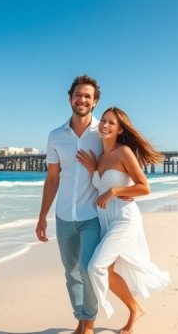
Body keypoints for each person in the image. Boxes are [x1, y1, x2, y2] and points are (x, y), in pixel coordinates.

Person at [78, 107, 171, 334]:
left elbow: (144, 187)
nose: (105, 126)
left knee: (95, 266)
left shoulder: (124, 152)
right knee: (107, 270)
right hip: (105, 221)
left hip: (124, 219)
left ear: (120, 130)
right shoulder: (100, 157)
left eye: (111, 123)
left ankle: (108, 308)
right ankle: (135, 309)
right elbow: (100, 185)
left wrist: (114, 192)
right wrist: (93, 170)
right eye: (104, 122)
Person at [35, 74, 104, 334]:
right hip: (64, 216)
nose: (82, 99)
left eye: (88, 96)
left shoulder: (103, 133)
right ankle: (81, 318)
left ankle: (90, 321)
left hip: (93, 215)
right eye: (78, 95)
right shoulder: (55, 136)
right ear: (70, 98)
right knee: (71, 273)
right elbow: (52, 178)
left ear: (95, 101)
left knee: (88, 270)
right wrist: (42, 217)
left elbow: (118, 164)